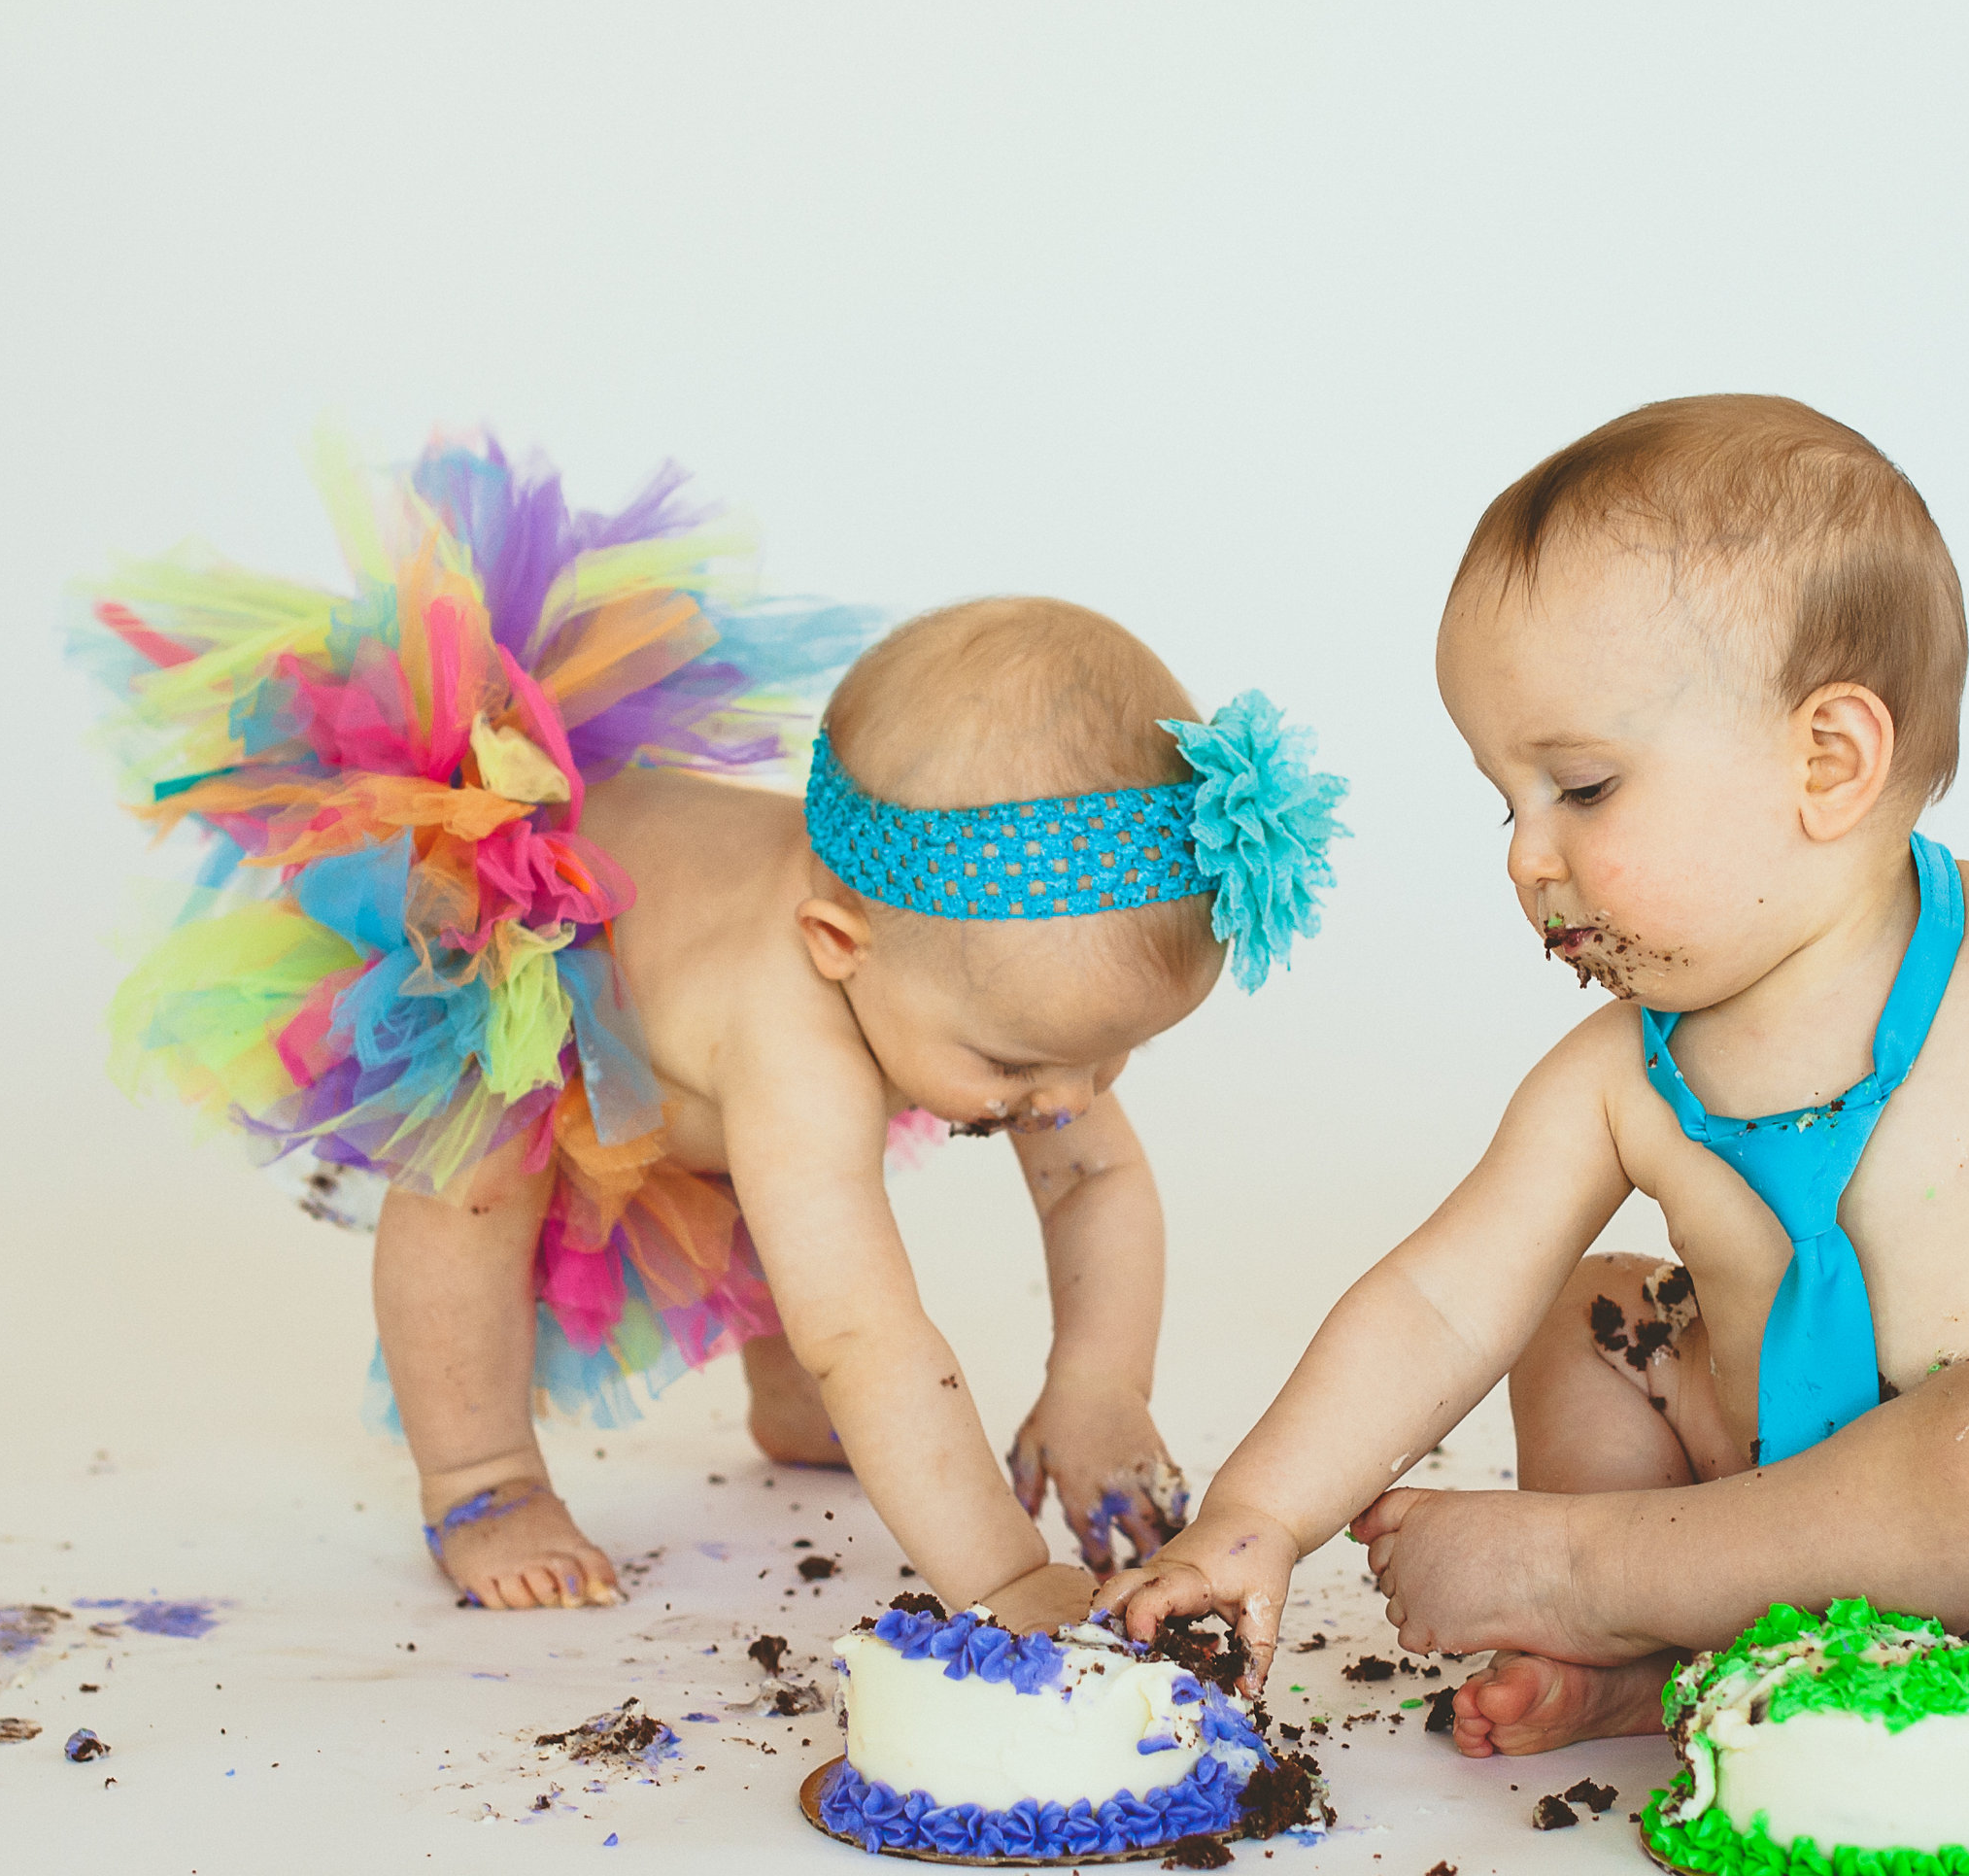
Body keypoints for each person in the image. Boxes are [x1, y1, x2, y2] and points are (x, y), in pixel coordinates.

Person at [1106, 393, 1969, 1749]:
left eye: (1581, 788)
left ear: (1828, 761)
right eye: (1506, 801)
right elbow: (1438, 1304)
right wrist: (1256, 1516)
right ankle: (1674, 1658)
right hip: (1780, 1507)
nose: (1525, 856)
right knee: (1581, 1314)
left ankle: (1594, 1577)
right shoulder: (1614, 1079)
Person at [75, 430, 1346, 1613]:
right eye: (1021, 1064)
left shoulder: (982, 984)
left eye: (1113, 1056)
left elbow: (1097, 1183)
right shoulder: (804, 1036)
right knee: (479, 1188)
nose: (1068, 1100)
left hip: (697, 1006)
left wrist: (1099, 1384)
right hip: (526, 966)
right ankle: (480, 1475)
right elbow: (867, 1334)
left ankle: (784, 1412)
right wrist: (1008, 1582)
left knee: (784, 1193)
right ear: (840, 944)